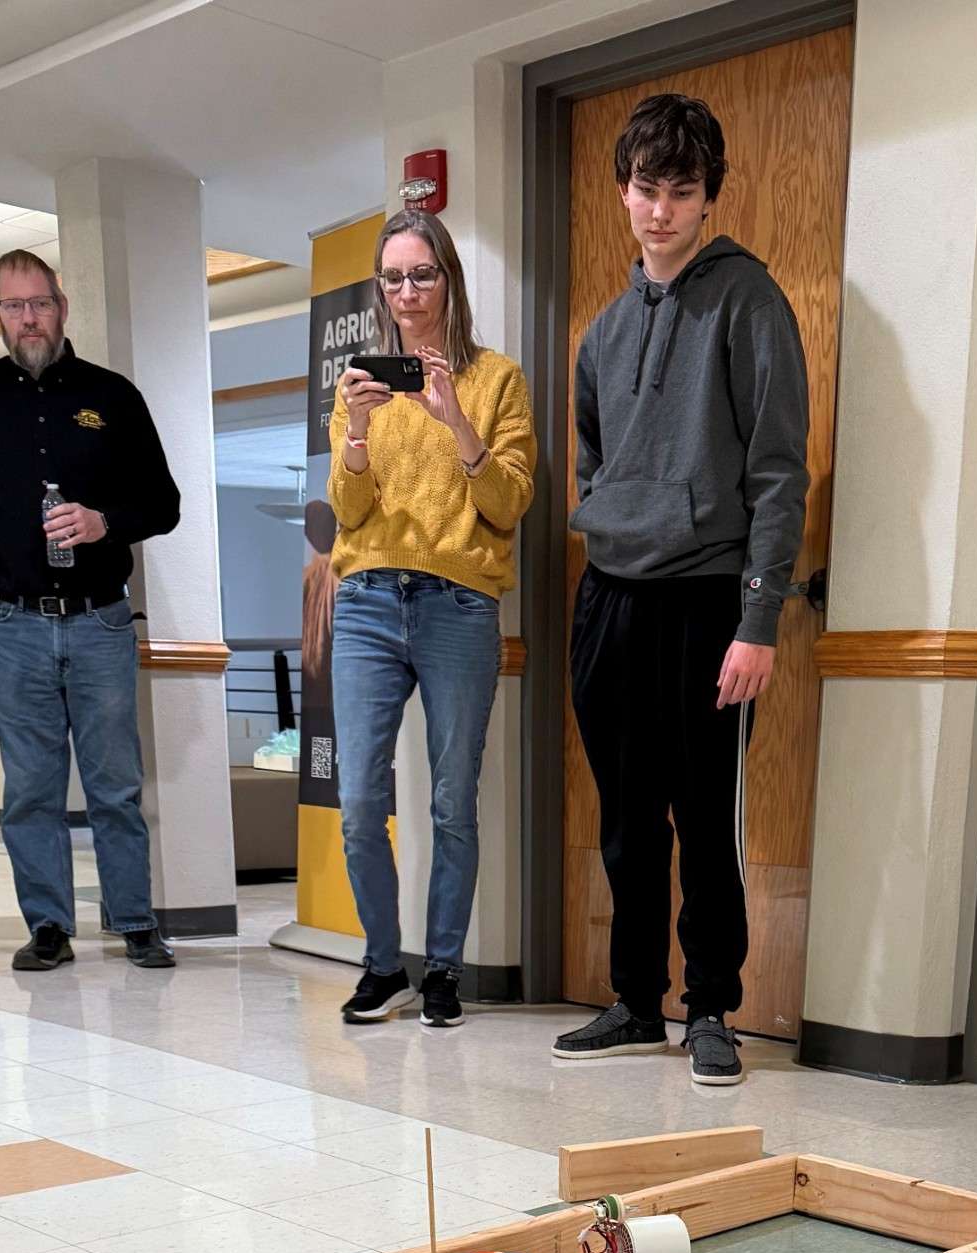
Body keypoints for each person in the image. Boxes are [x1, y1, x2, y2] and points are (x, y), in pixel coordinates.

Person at [553, 93, 810, 1085]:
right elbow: (592, 463)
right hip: (609, 600)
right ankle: (631, 1000)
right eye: (646, 190)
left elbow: (779, 473)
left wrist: (758, 620)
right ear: (622, 193)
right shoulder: (604, 333)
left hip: (709, 603)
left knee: (705, 817)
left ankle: (711, 1007)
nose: (661, 211)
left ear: (710, 197)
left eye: (682, 192)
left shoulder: (750, 302)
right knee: (626, 818)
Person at [0, 249, 181, 972]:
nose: (29, 318)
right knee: (33, 791)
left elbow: (163, 505)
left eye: (40, 302)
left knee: (114, 786)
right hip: (13, 625)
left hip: (101, 619)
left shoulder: (114, 394)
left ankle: (135, 921)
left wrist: (105, 521)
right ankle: (48, 927)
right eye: (14, 306)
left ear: (62, 306)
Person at [329, 210, 537, 1029]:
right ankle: (384, 964)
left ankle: (442, 967)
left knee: (452, 801)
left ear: (449, 279)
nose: (408, 293)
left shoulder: (497, 379)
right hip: (369, 603)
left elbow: (509, 502)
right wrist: (351, 429)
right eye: (393, 278)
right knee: (357, 802)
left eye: (422, 275)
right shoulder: (363, 384)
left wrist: (454, 417)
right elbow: (348, 512)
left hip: (458, 604)